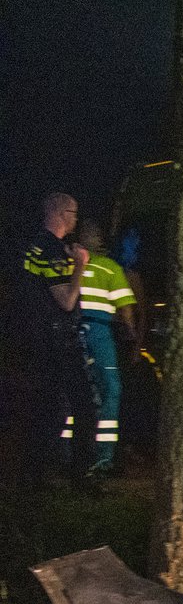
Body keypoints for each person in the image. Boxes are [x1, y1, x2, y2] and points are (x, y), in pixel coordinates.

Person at [2, 192, 97, 488]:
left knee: (45, 410)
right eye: (74, 213)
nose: (76, 220)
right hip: (58, 343)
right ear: (60, 213)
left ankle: (32, 478)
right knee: (84, 405)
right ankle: (82, 476)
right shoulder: (53, 250)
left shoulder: (33, 247)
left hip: (35, 340)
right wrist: (80, 265)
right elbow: (67, 301)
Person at [75, 219, 137, 473]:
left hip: (74, 332)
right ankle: (104, 457)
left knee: (77, 391)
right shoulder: (111, 268)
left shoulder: (71, 263)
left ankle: (70, 454)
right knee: (111, 389)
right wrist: (131, 334)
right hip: (100, 332)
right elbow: (125, 307)